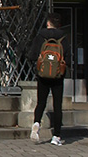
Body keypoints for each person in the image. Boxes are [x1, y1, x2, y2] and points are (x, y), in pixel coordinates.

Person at [29, 12, 71, 146]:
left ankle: (36, 123)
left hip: (42, 75)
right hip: (58, 76)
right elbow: (68, 58)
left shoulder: (41, 36)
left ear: (48, 23)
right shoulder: (63, 38)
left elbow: (32, 55)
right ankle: (56, 136)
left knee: (41, 102)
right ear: (58, 25)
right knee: (57, 106)